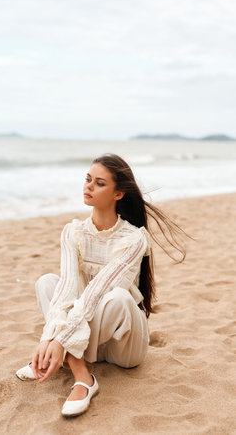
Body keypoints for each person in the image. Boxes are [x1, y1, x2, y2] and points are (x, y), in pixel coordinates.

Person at [16, 153, 186, 417]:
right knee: (48, 283)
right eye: (87, 179)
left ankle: (68, 363)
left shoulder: (133, 239)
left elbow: (96, 294)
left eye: (99, 183)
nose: (88, 187)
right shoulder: (72, 232)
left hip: (123, 346)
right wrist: (47, 337)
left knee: (116, 296)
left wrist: (58, 340)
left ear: (118, 194)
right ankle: (81, 371)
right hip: (88, 340)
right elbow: (67, 291)